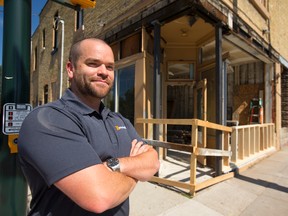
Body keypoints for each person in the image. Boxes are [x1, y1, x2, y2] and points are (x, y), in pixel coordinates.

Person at [18, 37, 160, 216]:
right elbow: (100, 197)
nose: (104, 72)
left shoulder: (120, 120)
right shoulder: (47, 120)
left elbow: (153, 161)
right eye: (93, 64)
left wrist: (115, 165)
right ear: (71, 69)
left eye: (110, 67)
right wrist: (136, 171)